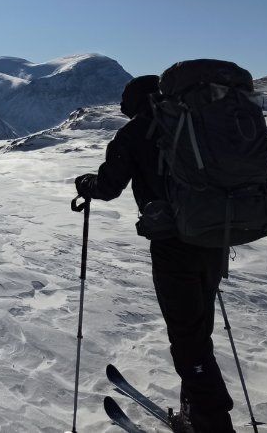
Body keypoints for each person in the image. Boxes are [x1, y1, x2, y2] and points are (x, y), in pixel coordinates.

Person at [75, 75, 236, 433]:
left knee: (186, 340)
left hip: (174, 247)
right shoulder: (194, 124)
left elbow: (109, 186)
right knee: (197, 333)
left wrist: (85, 184)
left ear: (132, 104)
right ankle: (195, 413)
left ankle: (214, 424)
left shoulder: (134, 134)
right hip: (212, 241)